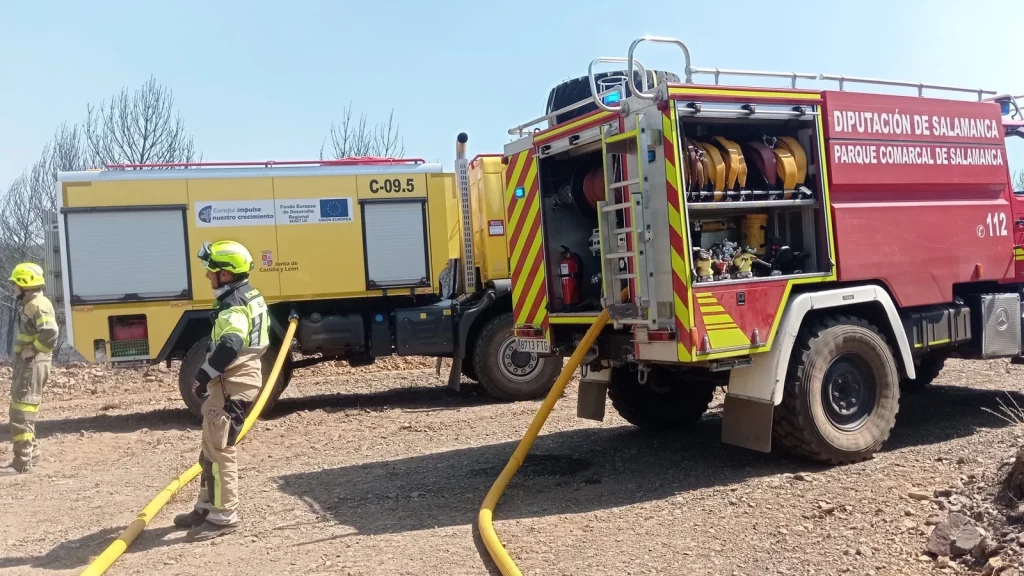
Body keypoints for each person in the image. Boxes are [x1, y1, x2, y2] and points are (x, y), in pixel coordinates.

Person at [173, 241, 269, 541]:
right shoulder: (246, 294)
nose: (207, 277)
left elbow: (230, 344)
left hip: (232, 385)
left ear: (226, 275)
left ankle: (223, 517)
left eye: (211, 271)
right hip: (231, 384)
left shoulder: (232, 305)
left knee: (221, 452)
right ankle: (205, 507)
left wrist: (203, 375)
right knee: (209, 449)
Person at [3, 263, 59, 476]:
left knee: (21, 412)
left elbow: (51, 332)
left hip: (33, 365)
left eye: (15, 284)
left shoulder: (37, 304)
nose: (13, 288)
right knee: (24, 409)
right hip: (29, 365)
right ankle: (32, 454)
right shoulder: (32, 303)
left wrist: (33, 350)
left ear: (25, 284)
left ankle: (21, 462)